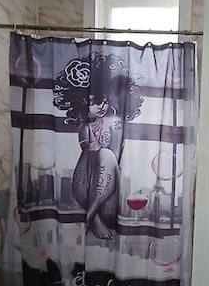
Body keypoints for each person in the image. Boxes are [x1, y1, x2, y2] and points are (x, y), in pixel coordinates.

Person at [53, 51, 143, 240]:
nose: (101, 105)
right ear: (82, 102)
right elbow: (87, 152)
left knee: (107, 155)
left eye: (104, 99)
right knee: (99, 154)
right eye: (94, 102)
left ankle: (90, 215)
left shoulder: (115, 121)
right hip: (84, 181)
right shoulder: (84, 126)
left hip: (108, 184)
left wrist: (100, 150)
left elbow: (114, 158)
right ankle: (93, 218)